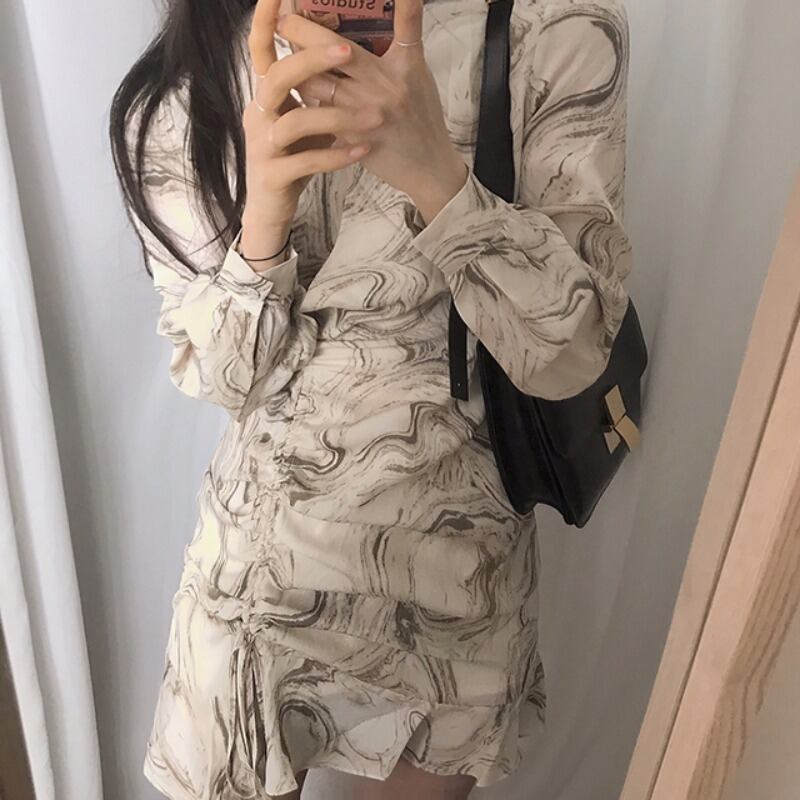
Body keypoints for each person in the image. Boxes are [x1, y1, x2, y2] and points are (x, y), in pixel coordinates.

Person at [109, 0, 632, 797]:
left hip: (458, 588)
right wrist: (263, 224)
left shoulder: (549, 23)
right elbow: (225, 380)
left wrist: (439, 177)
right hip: (256, 585)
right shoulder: (196, 78)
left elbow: (573, 356)